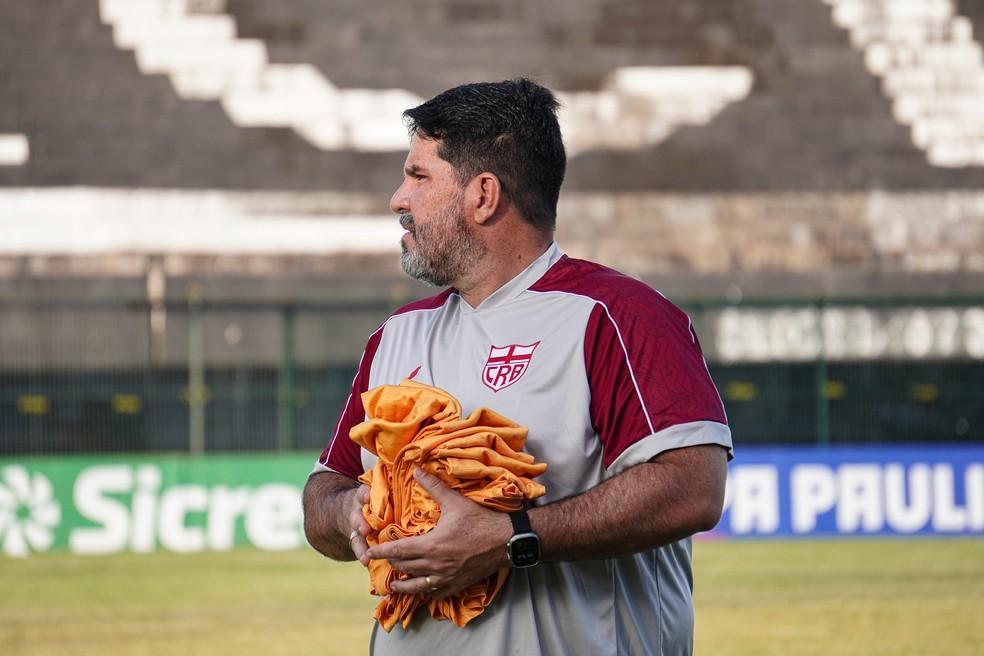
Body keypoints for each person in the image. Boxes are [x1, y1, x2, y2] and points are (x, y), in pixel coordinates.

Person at [303, 78, 733, 656]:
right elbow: (324, 490)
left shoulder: (617, 316)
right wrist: (350, 512)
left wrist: (513, 538)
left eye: (419, 177)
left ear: (484, 196)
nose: (398, 200)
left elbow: (692, 488)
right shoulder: (396, 335)